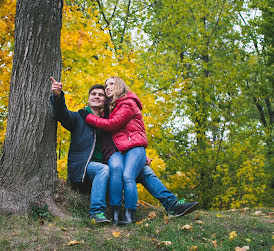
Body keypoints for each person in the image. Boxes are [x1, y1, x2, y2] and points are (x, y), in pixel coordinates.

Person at [80, 76, 198, 224]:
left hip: (130, 149)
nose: (108, 87)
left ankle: (159, 207)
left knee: (133, 174)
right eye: (106, 85)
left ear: (120, 86)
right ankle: (170, 203)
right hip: (119, 153)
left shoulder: (127, 103)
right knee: (144, 172)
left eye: (111, 84)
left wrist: (140, 153)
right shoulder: (110, 107)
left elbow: (114, 125)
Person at [50, 77, 111, 223]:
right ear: (89, 98)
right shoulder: (78, 118)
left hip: (104, 170)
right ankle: (96, 213)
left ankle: (122, 211)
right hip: (82, 168)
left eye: (101, 95)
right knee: (103, 169)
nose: (97, 96)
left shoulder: (109, 122)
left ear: (105, 100)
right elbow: (62, 114)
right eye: (93, 94)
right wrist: (58, 96)